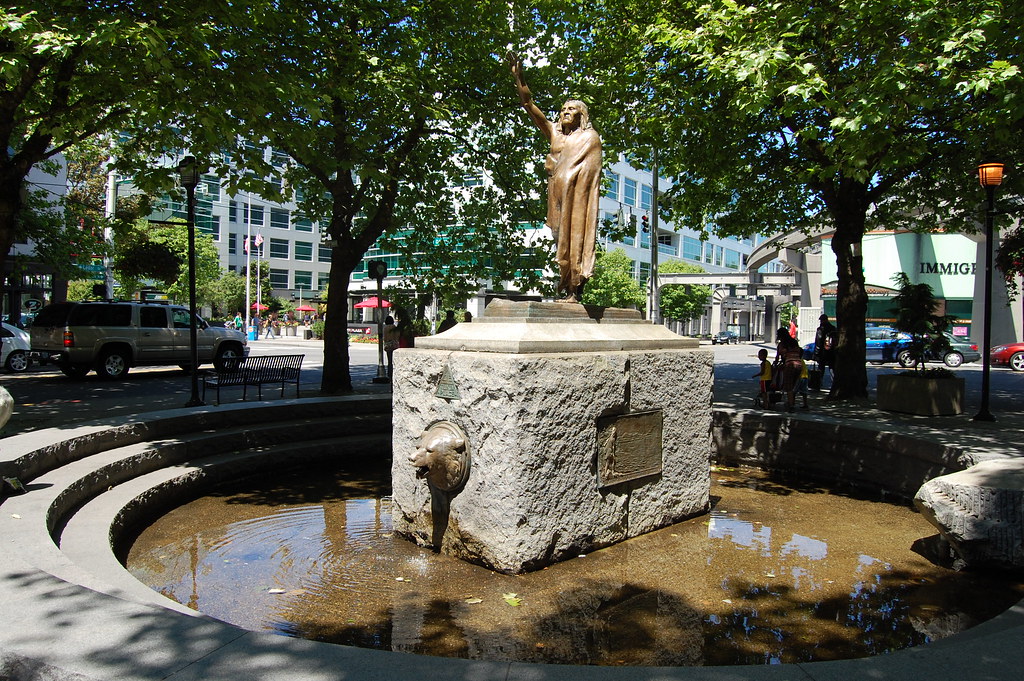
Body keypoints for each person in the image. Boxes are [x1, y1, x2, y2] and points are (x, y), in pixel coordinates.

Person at [509, 52, 602, 303]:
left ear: (581, 114)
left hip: (577, 199)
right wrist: (519, 78)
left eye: (571, 109)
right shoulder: (555, 134)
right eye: (562, 110)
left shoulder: (589, 138)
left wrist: (570, 180)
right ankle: (565, 282)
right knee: (560, 239)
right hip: (556, 195)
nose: (564, 112)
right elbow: (529, 105)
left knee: (575, 239)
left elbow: (590, 174)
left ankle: (575, 289)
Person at [775, 327, 804, 412]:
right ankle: (791, 402)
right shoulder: (794, 342)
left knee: (788, 386)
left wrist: (776, 365)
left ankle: (791, 405)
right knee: (793, 384)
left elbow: (778, 358)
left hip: (790, 365)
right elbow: (800, 351)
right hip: (799, 364)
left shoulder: (781, 344)